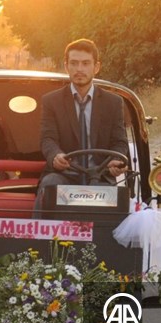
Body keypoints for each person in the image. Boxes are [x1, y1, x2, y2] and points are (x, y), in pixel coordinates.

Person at [34, 38, 128, 213]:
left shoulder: (113, 103)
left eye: (85, 63)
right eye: (74, 63)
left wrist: (116, 161)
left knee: (114, 197)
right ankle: (41, 231)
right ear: (66, 66)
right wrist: (55, 156)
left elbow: (120, 142)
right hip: (63, 175)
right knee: (50, 184)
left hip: (100, 176)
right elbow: (47, 138)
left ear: (96, 67)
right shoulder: (51, 101)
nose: (79, 69)